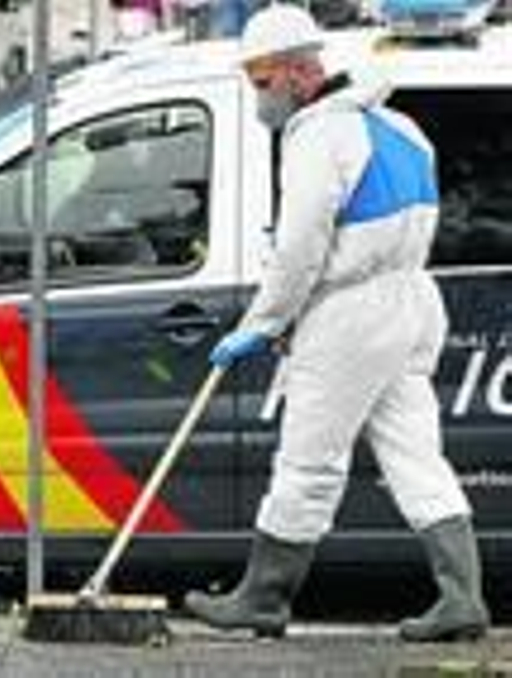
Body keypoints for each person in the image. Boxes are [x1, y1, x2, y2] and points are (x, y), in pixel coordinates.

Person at [183, 5, 489, 642]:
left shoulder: (318, 138)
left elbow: (301, 249)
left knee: (307, 460)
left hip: (349, 314)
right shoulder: (400, 127)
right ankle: (463, 598)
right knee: (416, 455)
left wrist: (264, 322)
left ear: (301, 72)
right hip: (411, 301)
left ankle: (264, 597)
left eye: (263, 82)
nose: (259, 97)